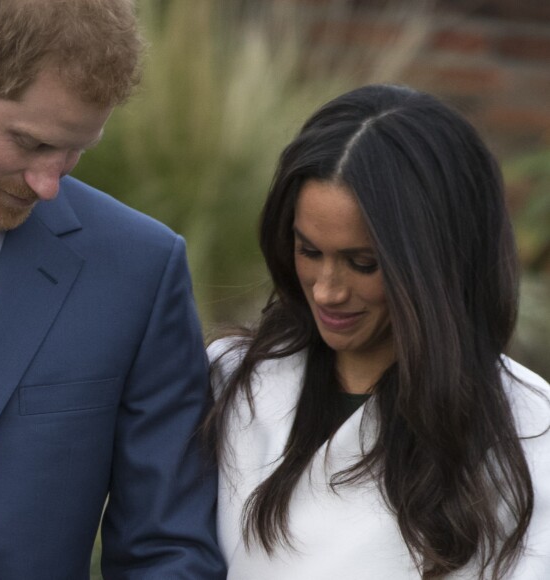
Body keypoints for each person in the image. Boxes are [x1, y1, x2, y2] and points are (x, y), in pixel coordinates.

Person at [207, 84, 550, 579]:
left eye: (362, 263)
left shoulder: (529, 435)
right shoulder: (232, 381)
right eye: (309, 251)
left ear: (437, 263)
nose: (326, 291)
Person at [0, 0, 225, 578]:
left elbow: (168, 547)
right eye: (30, 144)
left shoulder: (138, 270)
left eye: (74, 151)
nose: (48, 183)